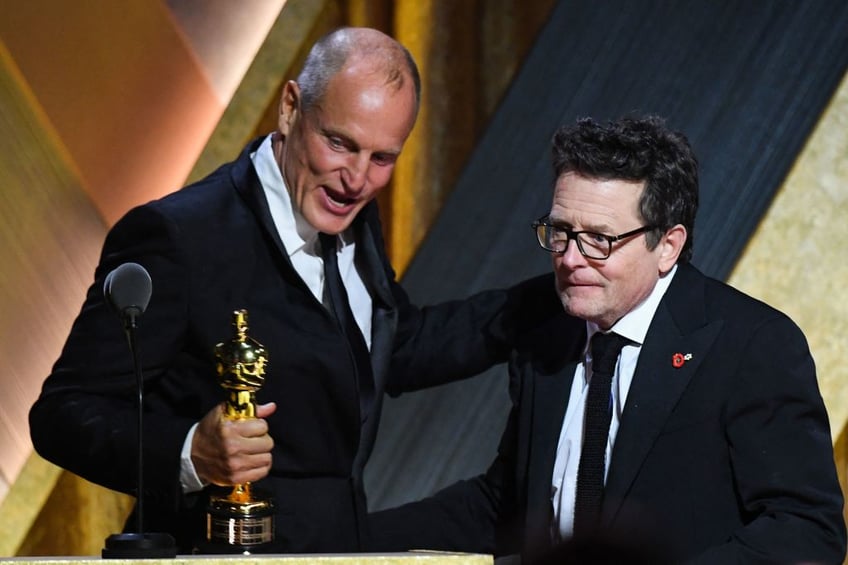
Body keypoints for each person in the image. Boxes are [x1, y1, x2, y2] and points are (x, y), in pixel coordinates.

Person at [28, 27, 555, 553]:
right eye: (340, 143)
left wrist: (554, 296)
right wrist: (191, 452)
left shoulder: (352, 214)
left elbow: (391, 346)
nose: (357, 180)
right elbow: (63, 414)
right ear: (290, 107)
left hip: (336, 552)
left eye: (383, 158)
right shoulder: (178, 237)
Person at [368, 115, 847, 563]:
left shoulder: (752, 345)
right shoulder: (550, 326)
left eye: (600, 239)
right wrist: (342, 542)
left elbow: (807, 530)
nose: (571, 259)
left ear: (668, 246)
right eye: (561, 232)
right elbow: (509, 503)